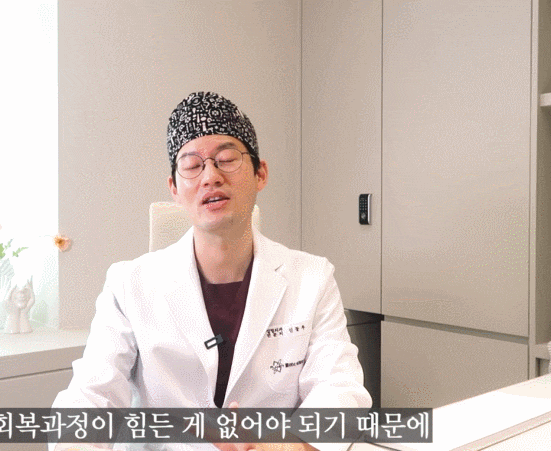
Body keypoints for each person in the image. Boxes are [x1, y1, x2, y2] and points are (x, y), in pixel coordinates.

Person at [52, 92, 371, 451]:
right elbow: (91, 397)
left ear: (260, 173)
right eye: (192, 165)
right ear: (174, 189)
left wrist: (287, 447)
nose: (210, 176)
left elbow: (340, 389)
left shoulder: (312, 278)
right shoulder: (128, 285)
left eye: (227, 159)